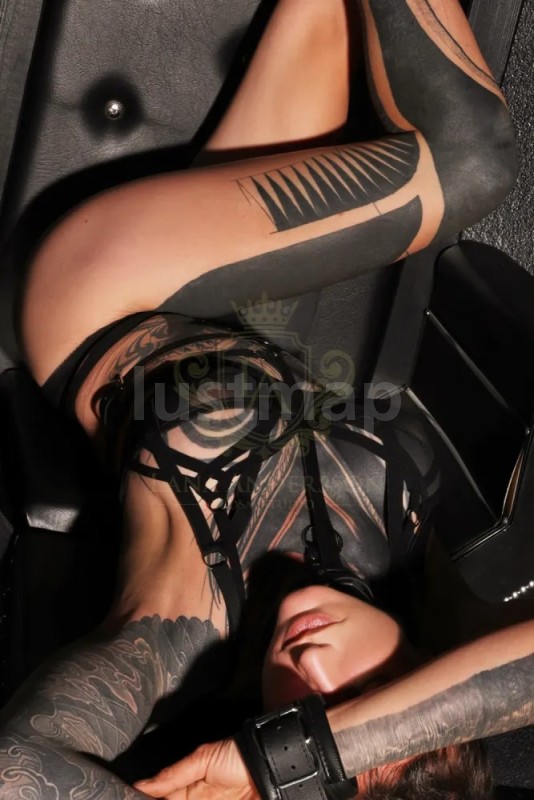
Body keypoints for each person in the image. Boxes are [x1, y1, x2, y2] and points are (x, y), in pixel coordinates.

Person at [1, 0, 532, 798]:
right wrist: (323, 746)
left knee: (468, 163)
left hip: (102, 301)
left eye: (296, 716)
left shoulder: (179, 632)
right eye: (357, 700)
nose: (311, 669)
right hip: (234, 300)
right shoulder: (431, 591)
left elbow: (17, 771)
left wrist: (265, 769)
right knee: (327, 12)